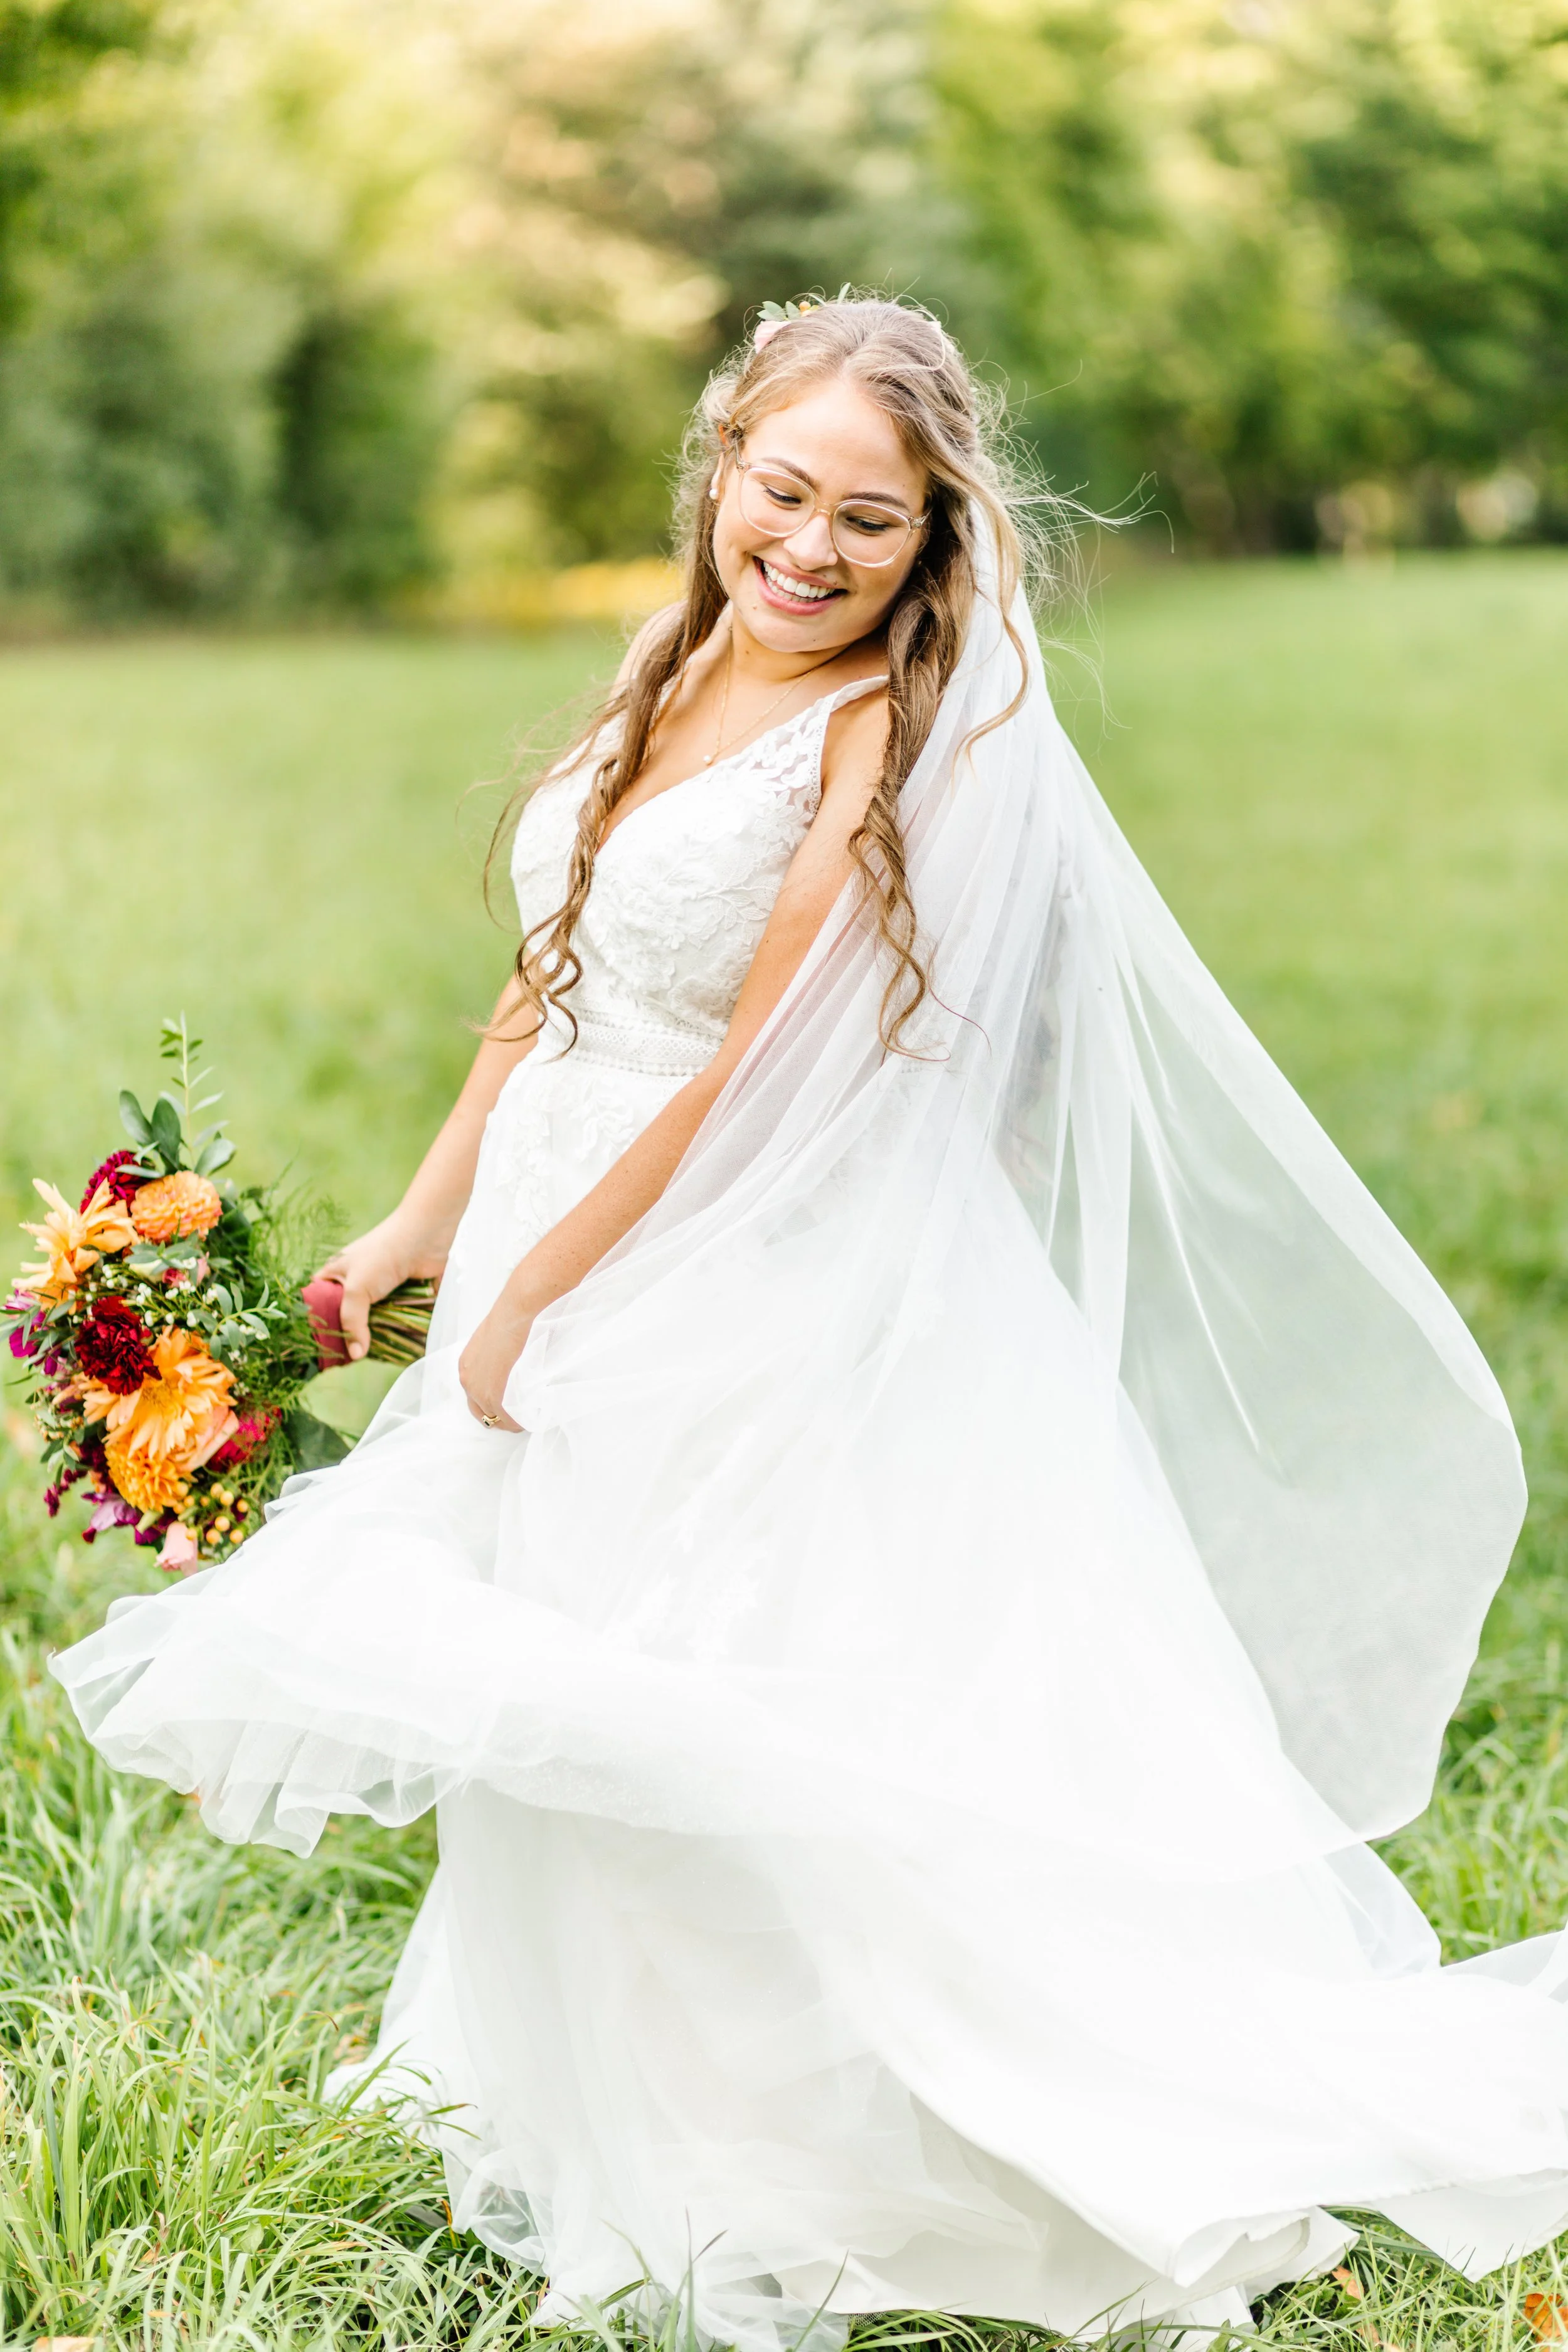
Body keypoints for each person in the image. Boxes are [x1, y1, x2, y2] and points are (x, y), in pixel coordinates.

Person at [53, 296, 1568, 2351]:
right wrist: (432, 1217)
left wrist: (549, 1287)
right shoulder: (665, 652)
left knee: (725, 1683)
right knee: (574, 1665)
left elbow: (754, 1063)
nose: (813, 546)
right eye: (782, 490)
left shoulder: (880, 727)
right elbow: (562, 964)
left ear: (929, 533)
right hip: (556, 1198)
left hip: (741, 1249)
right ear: (717, 463)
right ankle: (615, 2099)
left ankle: (811, 2144)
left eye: (871, 515)